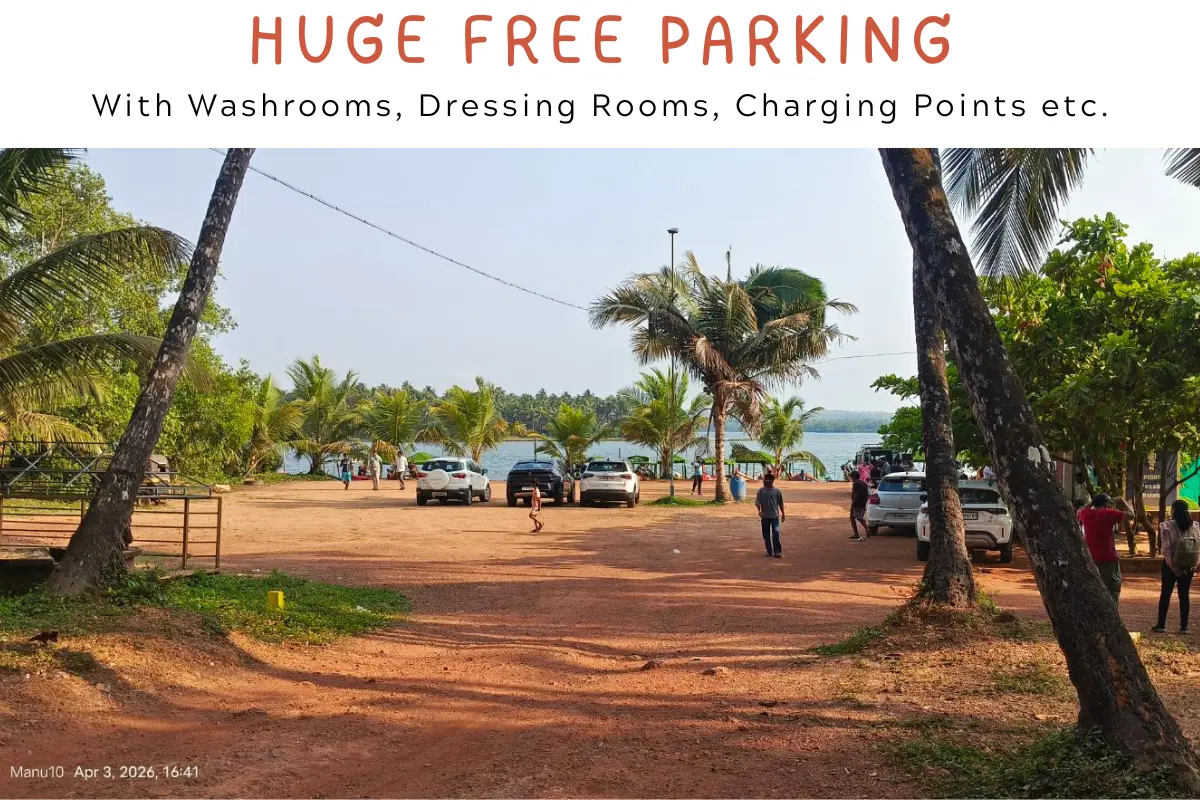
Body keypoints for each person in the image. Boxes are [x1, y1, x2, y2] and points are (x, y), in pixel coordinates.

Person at [1077, 493, 1134, 605]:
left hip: (1090, 559)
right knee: (1112, 590)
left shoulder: (1085, 514)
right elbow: (1131, 515)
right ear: (1106, 504)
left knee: (1094, 589)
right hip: (1108, 558)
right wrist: (1123, 502)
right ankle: (1113, 617)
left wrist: (1091, 502)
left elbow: (1079, 510)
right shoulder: (1109, 513)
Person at [1154, 500, 1199, 634]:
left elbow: (1166, 550)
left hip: (1170, 566)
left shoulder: (1166, 525)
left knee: (1166, 594)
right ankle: (1184, 627)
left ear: (1173, 510)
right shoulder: (1196, 525)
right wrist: (1193, 566)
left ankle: (1161, 625)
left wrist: (1174, 568)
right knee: (1184, 595)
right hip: (1189, 565)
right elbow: (1198, 548)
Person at [755, 473, 786, 558]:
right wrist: (759, 511)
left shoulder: (777, 491)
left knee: (775, 533)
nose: (765, 481)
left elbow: (780, 503)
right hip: (765, 517)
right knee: (766, 535)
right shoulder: (761, 491)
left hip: (774, 516)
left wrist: (783, 513)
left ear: (771, 481)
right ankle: (769, 552)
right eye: (764, 480)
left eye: (767, 480)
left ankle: (777, 552)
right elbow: (757, 502)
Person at [850, 472, 870, 541]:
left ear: (853, 477)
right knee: (859, 517)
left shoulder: (855, 483)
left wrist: (853, 502)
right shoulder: (863, 483)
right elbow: (867, 494)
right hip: (863, 502)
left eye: (851, 477)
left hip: (857, 503)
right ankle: (867, 529)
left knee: (853, 517)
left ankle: (856, 534)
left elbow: (856, 494)